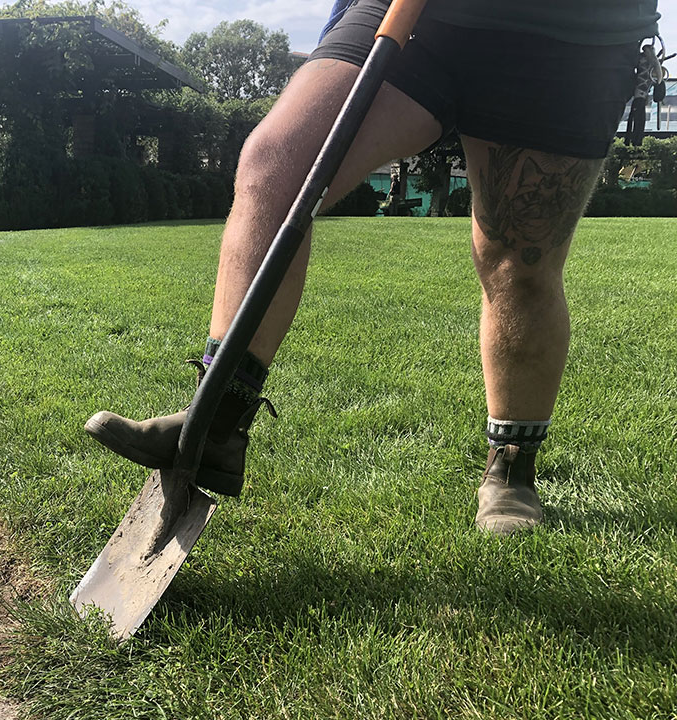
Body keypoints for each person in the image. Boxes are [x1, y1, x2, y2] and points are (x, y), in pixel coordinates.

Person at [85, 0, 663, 535]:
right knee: (279, 169)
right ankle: (214, 421)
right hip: (418, 14)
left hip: (568, 28)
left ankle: (511, 469)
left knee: (520, 258)